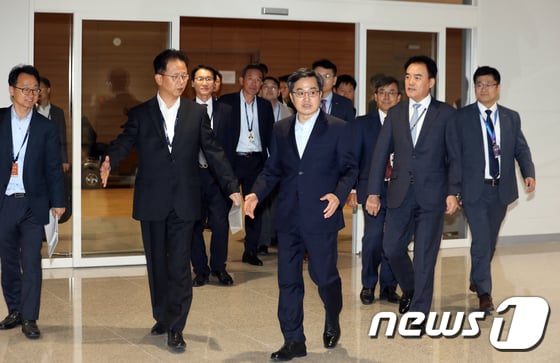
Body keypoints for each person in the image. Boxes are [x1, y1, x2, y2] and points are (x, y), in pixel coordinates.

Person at [99, 49, 240, 353]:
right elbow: (124, 142)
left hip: (185, 202)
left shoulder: (196, 113)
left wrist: (231, 186)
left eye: (184, 75)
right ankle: (162, 316)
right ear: (158, 78)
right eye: (175, 75)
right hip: (152, 200)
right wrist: (110, 160)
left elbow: (214, 152)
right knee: (158, 266)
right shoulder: (141, 113)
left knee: (178, 266)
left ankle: (176, 326)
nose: (181, 81)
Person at [244, 68, 358, 361]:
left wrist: (338, 194)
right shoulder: (281, 129)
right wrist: (256, 192)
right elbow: (272, 170)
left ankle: (332, 315)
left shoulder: (339, 128)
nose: (306, 98)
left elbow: (350, 170)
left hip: (322, 214)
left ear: (321, 95)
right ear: (289, 96)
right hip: (289, 217)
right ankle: (294, 340)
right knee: (288, 280)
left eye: (312, 92)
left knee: (324, 276)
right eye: (300, 92)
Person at [365, 56, 461, 327]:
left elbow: (455, 156)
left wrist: (454, 191)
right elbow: (380, 154)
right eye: (407, 76)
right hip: (399, 194)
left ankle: (419, 310)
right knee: (391, 247)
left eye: (417, 77)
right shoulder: (396, 112)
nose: (410, 81)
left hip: (433, 195)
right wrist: (373, 192)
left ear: (431, 82)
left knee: (424, 256)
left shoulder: (445, 114)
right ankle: (411, 287)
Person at [455, 66, 535, 313]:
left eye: (489, 84)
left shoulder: (511, 117)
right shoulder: (462, 117)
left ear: (498, 88)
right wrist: (453, 189)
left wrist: (528, 172)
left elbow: (521, 148)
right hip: (473, 190)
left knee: (488, 242)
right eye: (479, 84)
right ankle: (485, 293)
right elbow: (454, 155)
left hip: (501, 190)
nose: (484, 88)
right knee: (480, 240)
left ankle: (476, 278)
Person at [0, 65, 66, 339]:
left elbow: (53, 166)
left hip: (32, 202)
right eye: (25, 89)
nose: (30, 94)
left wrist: (58, 200)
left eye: (35, 90)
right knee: (8, 262)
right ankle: (14, 309)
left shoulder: (45, 127)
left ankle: (30, 317)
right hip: (4, 203)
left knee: (31, 260)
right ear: (11, 90)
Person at [348, 76, 402, 305]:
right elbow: (352, 159)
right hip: (372, 190)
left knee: (394, 241)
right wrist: (352, 189)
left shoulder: (407, 123)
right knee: (372, 238)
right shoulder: (362, 123)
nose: (387, 96)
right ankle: (369, 284)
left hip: (400, 191)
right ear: (374, 96)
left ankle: (389, 287)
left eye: (392, 92)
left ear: (400, 97)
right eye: (382, 92)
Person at [219, 64, 275, 266]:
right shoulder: (227, 102)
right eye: (250, 78)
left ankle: (250, 251)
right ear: (242, 80)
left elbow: (270, 137)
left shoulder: (264, 106)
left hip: (256, 162)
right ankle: (220, 255)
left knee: (254, 208)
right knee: (224, 208)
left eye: (259, 79)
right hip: (232, 162)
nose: (254, 83)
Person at [189, 65, 236, 287]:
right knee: (194, 225)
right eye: (200, 79)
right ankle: (200, 270)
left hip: (218, 178)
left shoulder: (227, 111)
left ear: (216, 83)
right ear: (192, 83)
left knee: (220, 224)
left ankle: (219, 268)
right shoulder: (184, 110)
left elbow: (230, 146)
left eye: (209, 79)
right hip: (192, 177)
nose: (205, 83)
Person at [258, 76, 294, 254]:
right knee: (263, 202)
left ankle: (279, 237)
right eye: (266, 87)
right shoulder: (254, 110)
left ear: (280, 92)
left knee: (281, 202)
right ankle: (262, 241)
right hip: (261, 163)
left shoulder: (289, 112)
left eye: (274, 87)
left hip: (284, 164)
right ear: (260, 90)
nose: (270, 90)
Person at [37, 77, 69, 173]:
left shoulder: (58, 112)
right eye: (36, 89)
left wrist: (64, 160)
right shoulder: (31, 111)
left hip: (53, 156)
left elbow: (62, 136)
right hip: (36, 155)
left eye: (40, 89)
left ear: (48, 90)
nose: (38, 92)